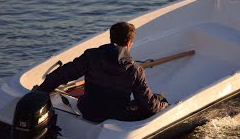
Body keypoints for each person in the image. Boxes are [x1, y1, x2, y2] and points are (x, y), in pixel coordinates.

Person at [34, 22, 169, 122]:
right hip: (117, 116)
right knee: (158, 99)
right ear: (129, 43)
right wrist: (165, 105)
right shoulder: (135, 70)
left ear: (111, 38)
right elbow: (149, 105)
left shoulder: (91, 56)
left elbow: (64, 73)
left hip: (88, 110)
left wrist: (41, 90)